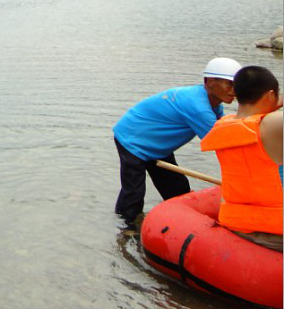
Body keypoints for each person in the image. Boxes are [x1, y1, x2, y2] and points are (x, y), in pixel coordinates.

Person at [112, 57, 241, 225]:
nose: (234, 90)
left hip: (157, 144)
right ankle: (126, 229)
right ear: (209, 82)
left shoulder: (213, 104)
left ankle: (177, 223)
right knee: (134, 192)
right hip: (133, 139)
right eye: (229, 84)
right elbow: (222, 144)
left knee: (177, 188)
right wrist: (239, 182)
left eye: (236, 85)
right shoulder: (198, 107)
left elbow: (228, 132)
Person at [200, 65, 283, 250]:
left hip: (236, 224)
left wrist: (270, 102)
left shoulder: (222, 124)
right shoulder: (275, 124)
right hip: (276, 233)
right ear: (270, 96)